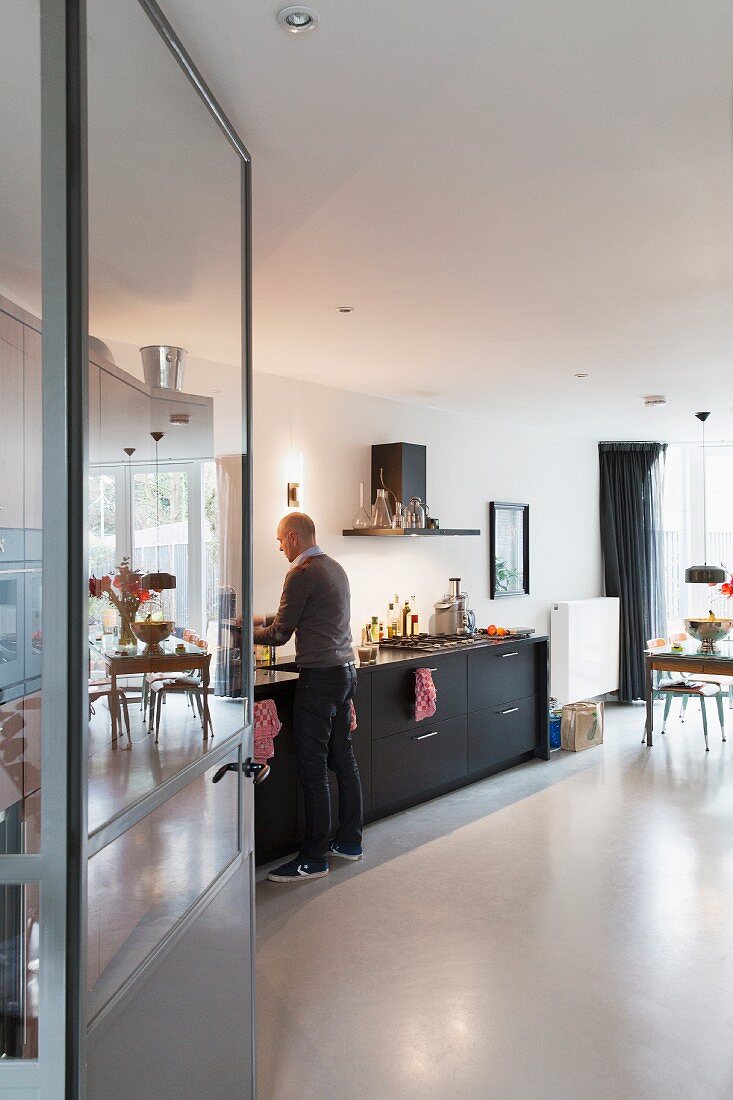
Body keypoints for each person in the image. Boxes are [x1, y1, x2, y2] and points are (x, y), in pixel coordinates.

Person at [254, 512, 363, 882]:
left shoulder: (300, 573)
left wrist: (240, 637)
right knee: (343, 760)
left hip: (319, 679)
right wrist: (253, 622)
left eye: (281, 540)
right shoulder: (334, 567)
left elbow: (281, 634)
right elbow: (304, 616)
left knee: (313, 768)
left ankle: (313, 859)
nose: (280, 547)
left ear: (293, 537)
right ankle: (349, 842)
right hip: (346, 672)